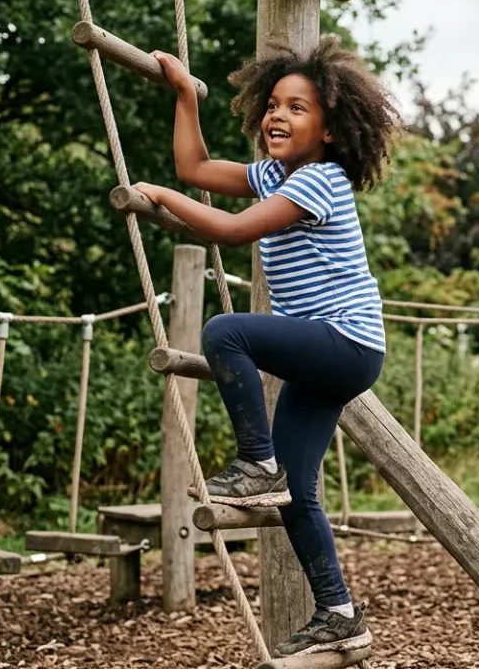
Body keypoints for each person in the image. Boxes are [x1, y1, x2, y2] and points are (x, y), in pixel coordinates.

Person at [132, 36, 399, 657]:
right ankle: (339, 611)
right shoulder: (275, 176)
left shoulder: (321, 181)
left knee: (227, 332)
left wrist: (159, 198)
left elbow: (228, 230)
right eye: (273, 105)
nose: (278, 115)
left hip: (344, 340)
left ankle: (256, 463)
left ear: (330, 130)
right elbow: (196, 169)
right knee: (296, 494)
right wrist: (184, 96)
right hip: (331, 353)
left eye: (297, 108)